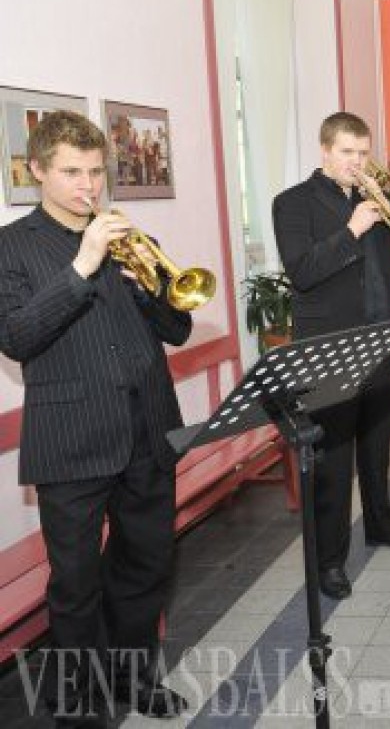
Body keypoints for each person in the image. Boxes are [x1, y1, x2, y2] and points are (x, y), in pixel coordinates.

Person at [0, 110, 190, 726]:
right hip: (71, 441)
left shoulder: (129, 239)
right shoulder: (10, 247)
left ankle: (135, 679)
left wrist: (148, 291)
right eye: (71, 172)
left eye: (95, 172)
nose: (88, 185)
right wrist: (82, 266)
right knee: (76, 586)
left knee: (145, 568)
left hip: (147, 431)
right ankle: (75, 704)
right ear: (37, 171)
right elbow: (16, 337)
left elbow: (179, 328)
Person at [272, 112, 390, 601]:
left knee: (377, 448)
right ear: (325, 151)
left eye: (363, 153)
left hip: (381, 343)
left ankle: (382, 526)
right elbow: (302, 271)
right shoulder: (293, 203)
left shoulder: (374, 200)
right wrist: (354, 228)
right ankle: (330, 562)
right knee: (334, 463)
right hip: (331, 350)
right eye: (347, 153)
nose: (357, 163)